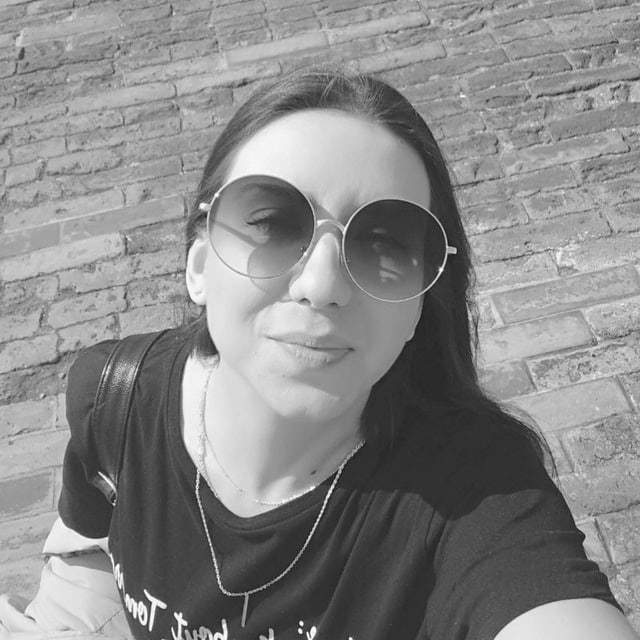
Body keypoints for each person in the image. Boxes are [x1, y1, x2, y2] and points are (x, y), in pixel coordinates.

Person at [3, 68, 638, 640]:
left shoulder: (472, 496)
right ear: (198, 265)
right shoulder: (116, 398)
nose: (322, 284)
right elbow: (87, 559)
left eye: (385, 243)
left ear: (421, 305)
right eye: (273, 223)